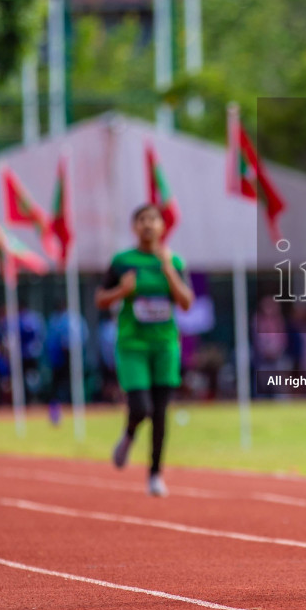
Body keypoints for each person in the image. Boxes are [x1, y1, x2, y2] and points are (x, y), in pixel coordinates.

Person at [96, 204, 193, 496]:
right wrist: (120, 292)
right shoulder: (123, 261)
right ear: (134, 227)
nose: (148, 225)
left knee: (161, 412)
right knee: (141, 407)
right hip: (133, 345)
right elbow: (100, 299)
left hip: (164, 345)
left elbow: (187, 302)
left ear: (163, 227)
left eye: (153, 220)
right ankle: (128, 436)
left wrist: (167, 270)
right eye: (142, 220)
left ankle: (154, 474)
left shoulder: (173, 261)